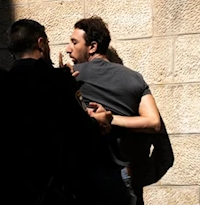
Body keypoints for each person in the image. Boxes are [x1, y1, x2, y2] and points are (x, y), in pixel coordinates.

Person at [0, 19, 126, 205]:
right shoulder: (57, 81)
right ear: (41, 44)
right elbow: (81, 134)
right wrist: (100, 120)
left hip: (6, 191)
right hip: (48, 191)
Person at [62, 16, 163, 205]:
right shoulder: (134, 78)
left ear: (92, 47)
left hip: (81, 178)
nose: (68, 49)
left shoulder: (70, 78)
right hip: (123, 177)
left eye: (74, 42)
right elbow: (153, 123)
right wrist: (113, 119)